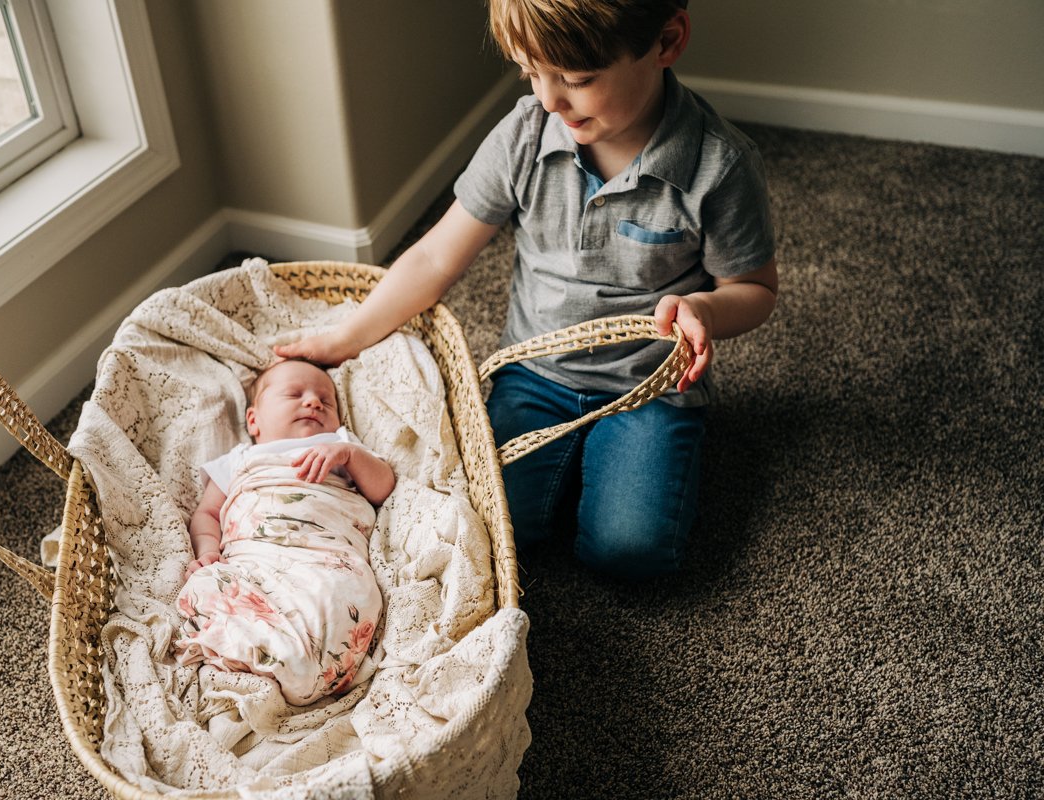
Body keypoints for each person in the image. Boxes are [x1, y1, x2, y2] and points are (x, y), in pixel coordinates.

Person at [276, 0, 777, 580]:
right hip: (535, 375)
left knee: (631, 553)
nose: (548, 100)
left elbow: (755, 290)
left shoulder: (721, 166)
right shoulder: (526, 132)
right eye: (530, 73)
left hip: (649, 386)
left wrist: (703, 310)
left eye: (577, 80)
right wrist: (344, 338)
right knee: (486, 524)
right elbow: (436, 256)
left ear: (666, 42)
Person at [173, 358, 395, 705]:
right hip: (255, 558)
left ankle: (295, 664)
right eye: (294, 394)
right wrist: (207, 551)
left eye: (327, 400)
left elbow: (382, 488)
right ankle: (276, 656)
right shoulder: (241, 458)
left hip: (326, 556)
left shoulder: (341, 447)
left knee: (351, 591)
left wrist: (348, 455)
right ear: (254, 420)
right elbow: (208, 512)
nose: (313, 402)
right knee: (203, 586)